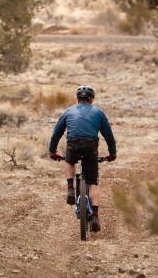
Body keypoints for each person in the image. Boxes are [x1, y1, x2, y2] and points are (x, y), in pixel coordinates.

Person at [47, 84, 116, 232]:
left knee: (70, 161)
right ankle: (95, 216)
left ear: (77, 99)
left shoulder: (68, 111)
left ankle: (70, 188)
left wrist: (52, 151)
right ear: (91, 99)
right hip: (91, 147)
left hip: (73, 144)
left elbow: (56, 134)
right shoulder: (98, 112)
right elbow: (109, 136)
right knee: (93, 183)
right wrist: (112, 153)